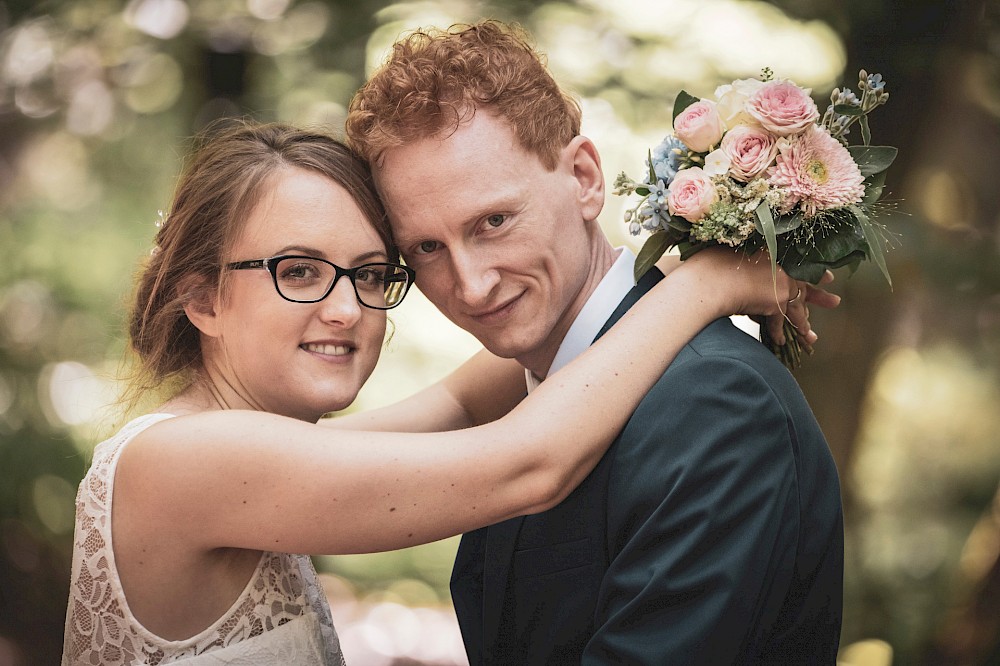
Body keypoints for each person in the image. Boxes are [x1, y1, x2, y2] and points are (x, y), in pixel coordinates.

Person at [60, 121, 816, 665]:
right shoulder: (191, 460)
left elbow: (469, 394)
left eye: (371, 273)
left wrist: (643, 281)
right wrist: (711, 281)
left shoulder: (249, 455)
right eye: (298, 271)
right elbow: (527, 463)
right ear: (201, 298)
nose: (347, 309)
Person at [345, 20, 845, 664]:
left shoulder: (717, 405)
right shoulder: (528, 394)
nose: (470, 285)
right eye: (427, 248)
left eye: (494, 221)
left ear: (584, 177)